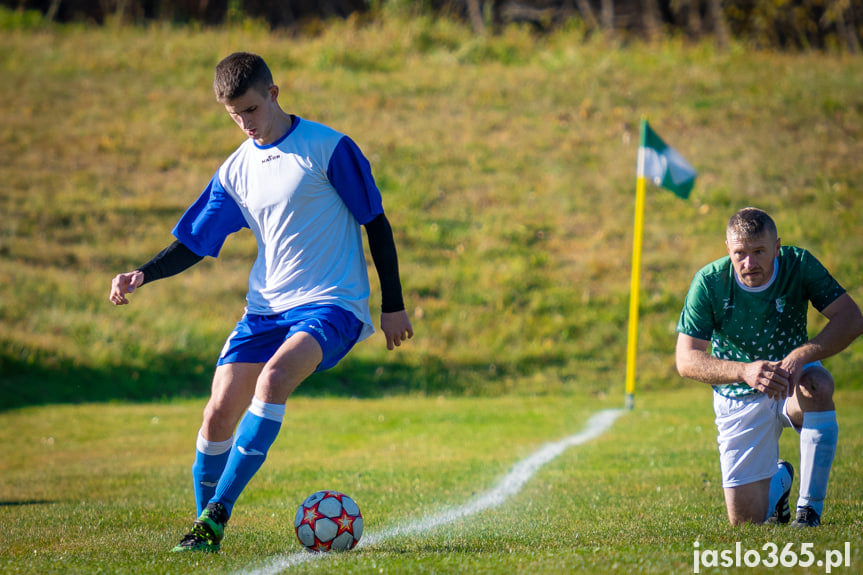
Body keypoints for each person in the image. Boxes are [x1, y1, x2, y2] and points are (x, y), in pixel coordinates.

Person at [108, 52, 413, 552]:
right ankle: (203, 530)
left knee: (272, 380)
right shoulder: (235, 170)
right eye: (234, 116)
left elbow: (375, 221)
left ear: (273, 94)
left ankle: (217, 516)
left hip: (331, 303)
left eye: (250, 110)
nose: (245, 124)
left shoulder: (327, 147)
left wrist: (393, 304)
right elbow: (195, 241)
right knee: (217, 414)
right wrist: (144, 272)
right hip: (264, 309)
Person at [675, 207, 863, 527]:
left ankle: (809, 509)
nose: (749, 263)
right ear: (728, 250)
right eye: (740, 254)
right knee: (746, 523)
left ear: (777, 247)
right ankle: (779, 483)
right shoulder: (709, 282)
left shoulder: (798, 265)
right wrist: (744, 371)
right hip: (738, 394)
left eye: (759, 251)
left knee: (817, 384)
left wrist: (801, 355)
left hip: (793, 381)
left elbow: (851, 318)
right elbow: (686, 359)